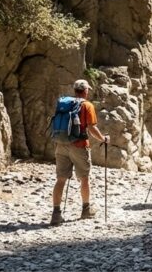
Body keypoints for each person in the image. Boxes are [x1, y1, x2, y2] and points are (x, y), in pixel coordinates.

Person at [50, 79, 110, 226]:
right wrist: (103, 139)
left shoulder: (65, 103)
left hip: (61, 144)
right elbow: (92, 128)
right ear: (86, 91)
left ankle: (56, 214)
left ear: (75, 90)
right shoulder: (87, 105)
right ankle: (86, 209)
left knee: (61, 179)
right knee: (84, 178)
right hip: (79, 146)